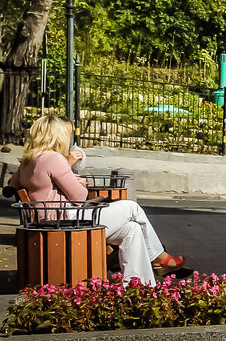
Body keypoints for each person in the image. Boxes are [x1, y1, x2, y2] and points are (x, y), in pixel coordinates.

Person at [10, 114, 184, 285]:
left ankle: (139, 285)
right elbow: (79, 197)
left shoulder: (27, 162)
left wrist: (67, 181)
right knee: (132, 208)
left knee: (132, 229)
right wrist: (80, 183)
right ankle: (159, 257)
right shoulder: (53, 158)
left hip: (49, 220)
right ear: (57, 136)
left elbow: (14, 183)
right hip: (66, 220)